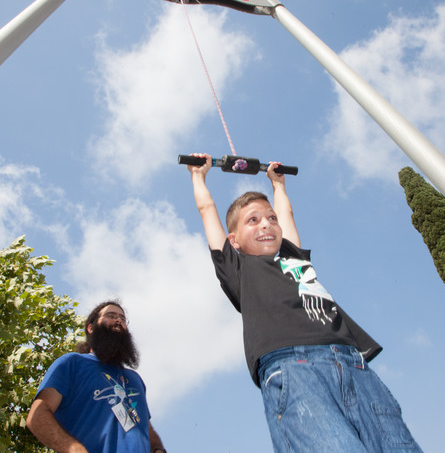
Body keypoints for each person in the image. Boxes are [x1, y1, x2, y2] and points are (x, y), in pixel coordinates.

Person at [187, 153, 422, 453]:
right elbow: (207, 209)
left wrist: (278, 185)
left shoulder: (293, 257)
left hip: (352, 363)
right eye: (253, 220)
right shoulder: (238, 268)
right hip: (294, 367)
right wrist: (198, 176)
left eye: (270, 219)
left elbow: (287, 215)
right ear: (234, 240)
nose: (266, 225)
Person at [27, 300, 167, 453]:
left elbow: (144, 428)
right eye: (111, 315)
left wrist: (158, 449)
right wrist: (73, 449)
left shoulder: (134, 379)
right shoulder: (72, 364)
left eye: (123, 318)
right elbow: (37, 415)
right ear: (91, 328)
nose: (118, 320)